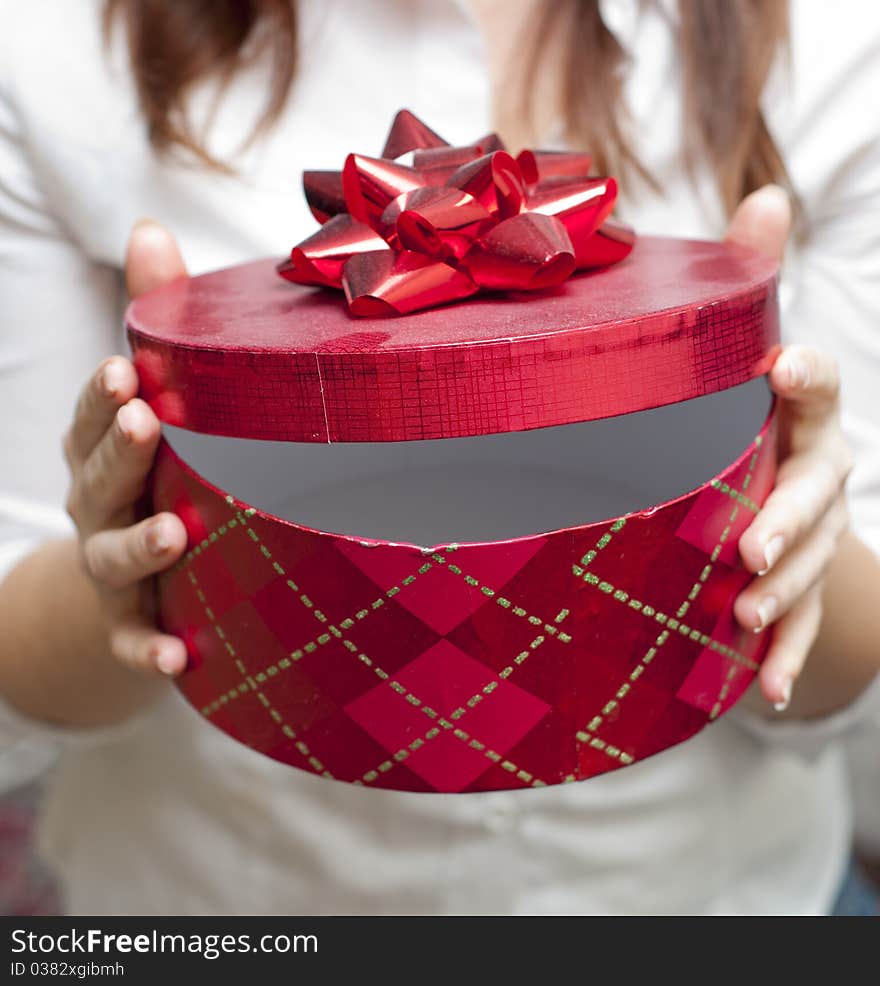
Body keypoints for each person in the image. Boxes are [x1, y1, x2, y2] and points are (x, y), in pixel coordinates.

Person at [0, 0, 878, 915]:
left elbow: (849, 670)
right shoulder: (60, 46)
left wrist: (792, 522)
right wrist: (125, 571)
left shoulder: (827, 38)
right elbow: (18, 657)